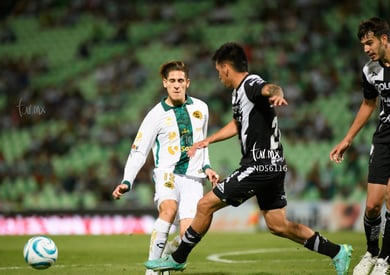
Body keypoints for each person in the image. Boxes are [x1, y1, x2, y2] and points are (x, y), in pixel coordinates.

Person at [144, 42, 353, 275]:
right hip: (274, 164)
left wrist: (277, 93)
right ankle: (337, 252)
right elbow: (237, 124)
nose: (219, 77)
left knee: (204, 205)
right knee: (278, 225)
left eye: (217, 71)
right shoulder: (238, 95)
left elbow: (267, 88)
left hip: (259, 164)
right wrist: (208, 140)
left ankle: (178, 258)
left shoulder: (249, 83)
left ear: (225, 68)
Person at [112, 61, 219, 275]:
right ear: (164, 83)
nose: (177, 85)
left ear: (188, 83)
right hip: (167, 173)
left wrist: (206, 166)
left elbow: (202, 141)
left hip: (193, 178)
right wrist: (127, 181)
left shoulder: (201, 108)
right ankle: (152, 271)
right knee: (168, 210)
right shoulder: (154, 115)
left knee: (190, 234)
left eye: (181, 81)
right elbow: (139, 150)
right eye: (172, 81)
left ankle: (169, 253)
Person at [330, 17, 390, 275]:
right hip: (384, 137)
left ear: (385, 39)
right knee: (372, 205)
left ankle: (385, 259)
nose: (366, 49)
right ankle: (371, 252)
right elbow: (368, 104)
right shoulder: (370, 71)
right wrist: (347, 139)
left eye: (370, 42)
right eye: (363, 44)